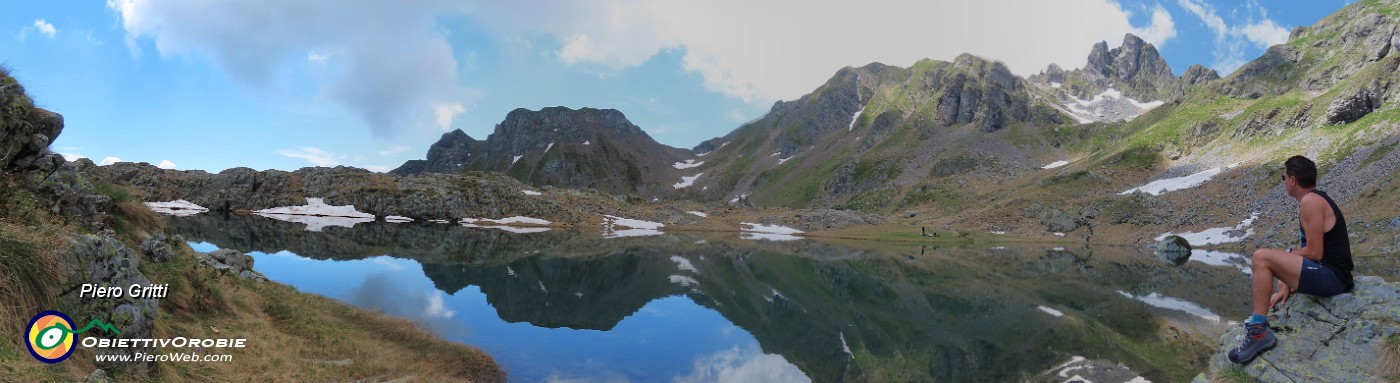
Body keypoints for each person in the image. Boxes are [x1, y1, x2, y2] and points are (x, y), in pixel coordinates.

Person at [1230, 155, 1354, 364]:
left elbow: (1314, 253)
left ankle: (1258, 330)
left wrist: (1286, 264)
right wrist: (1288, 277)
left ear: (1293, 179)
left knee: (1261, 257)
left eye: (1284, 177)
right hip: (1329, 273)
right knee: (1270, 258)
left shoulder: (1311, 201)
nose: (1284, 181)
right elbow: (1305, 249)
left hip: (1333, 276)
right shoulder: (1314, 199)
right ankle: (1259, 326)